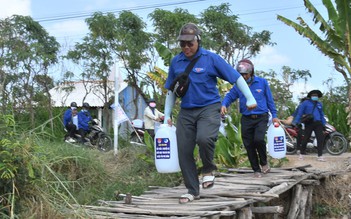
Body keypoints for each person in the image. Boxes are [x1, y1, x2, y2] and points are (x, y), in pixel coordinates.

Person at [163, 23, 257, 204]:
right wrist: (167, 114)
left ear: (198, 40)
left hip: (209, 108)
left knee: (205, 139)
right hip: (186, 111)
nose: (186, 47)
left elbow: (236, 77)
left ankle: (208, 169)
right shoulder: (176, 61)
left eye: (189, 43)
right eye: (182, 44)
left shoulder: (211, 59)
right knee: (183, 150)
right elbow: (171, 90)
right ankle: (192, 190)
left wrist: (250, 97)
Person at [221, 59, 279, 178]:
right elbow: (230, 96)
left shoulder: (262, 82)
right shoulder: (238, 85)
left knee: (258, 140)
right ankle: (256, 170)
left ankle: (264, 162)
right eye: (241, 75)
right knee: (249, 144)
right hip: (246, 118)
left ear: (251, 73)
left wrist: (274, 116)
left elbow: (270, 100)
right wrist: (224, 104)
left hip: (261, 117)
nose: (243, 77)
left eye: (245, 74)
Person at [292, 90, 326, 161]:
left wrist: (324, 124)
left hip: (318, 123)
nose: (315, 96)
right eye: (313, 95)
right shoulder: (305, 103)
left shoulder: (319, 104)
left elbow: (322, 114)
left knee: (320, 139)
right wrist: (296, 122)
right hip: (309, 123)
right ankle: (301, 154)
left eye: (316, 95)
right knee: (306, 138)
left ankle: (320, 156)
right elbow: (300, 113)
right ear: (310, 96)